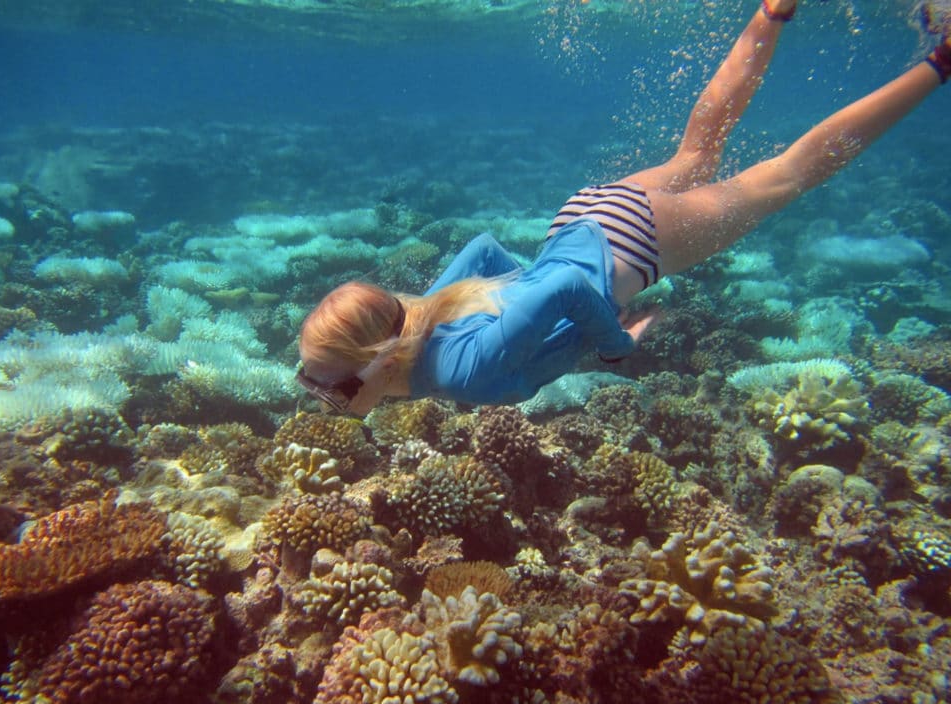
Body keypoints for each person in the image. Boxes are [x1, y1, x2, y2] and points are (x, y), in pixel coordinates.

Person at [297, 0, 951, 416]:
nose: (324, 399)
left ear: (381, 363)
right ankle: (773, 10)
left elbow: (565, 285)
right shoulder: (422, 322)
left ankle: (942, 58)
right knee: (697, 154)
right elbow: (486, 250)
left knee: (786, 177)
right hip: (583, 218)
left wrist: (612, 345)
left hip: (626, 246)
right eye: (314, 383)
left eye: (333, 386)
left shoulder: (464, 370)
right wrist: (497, 299)